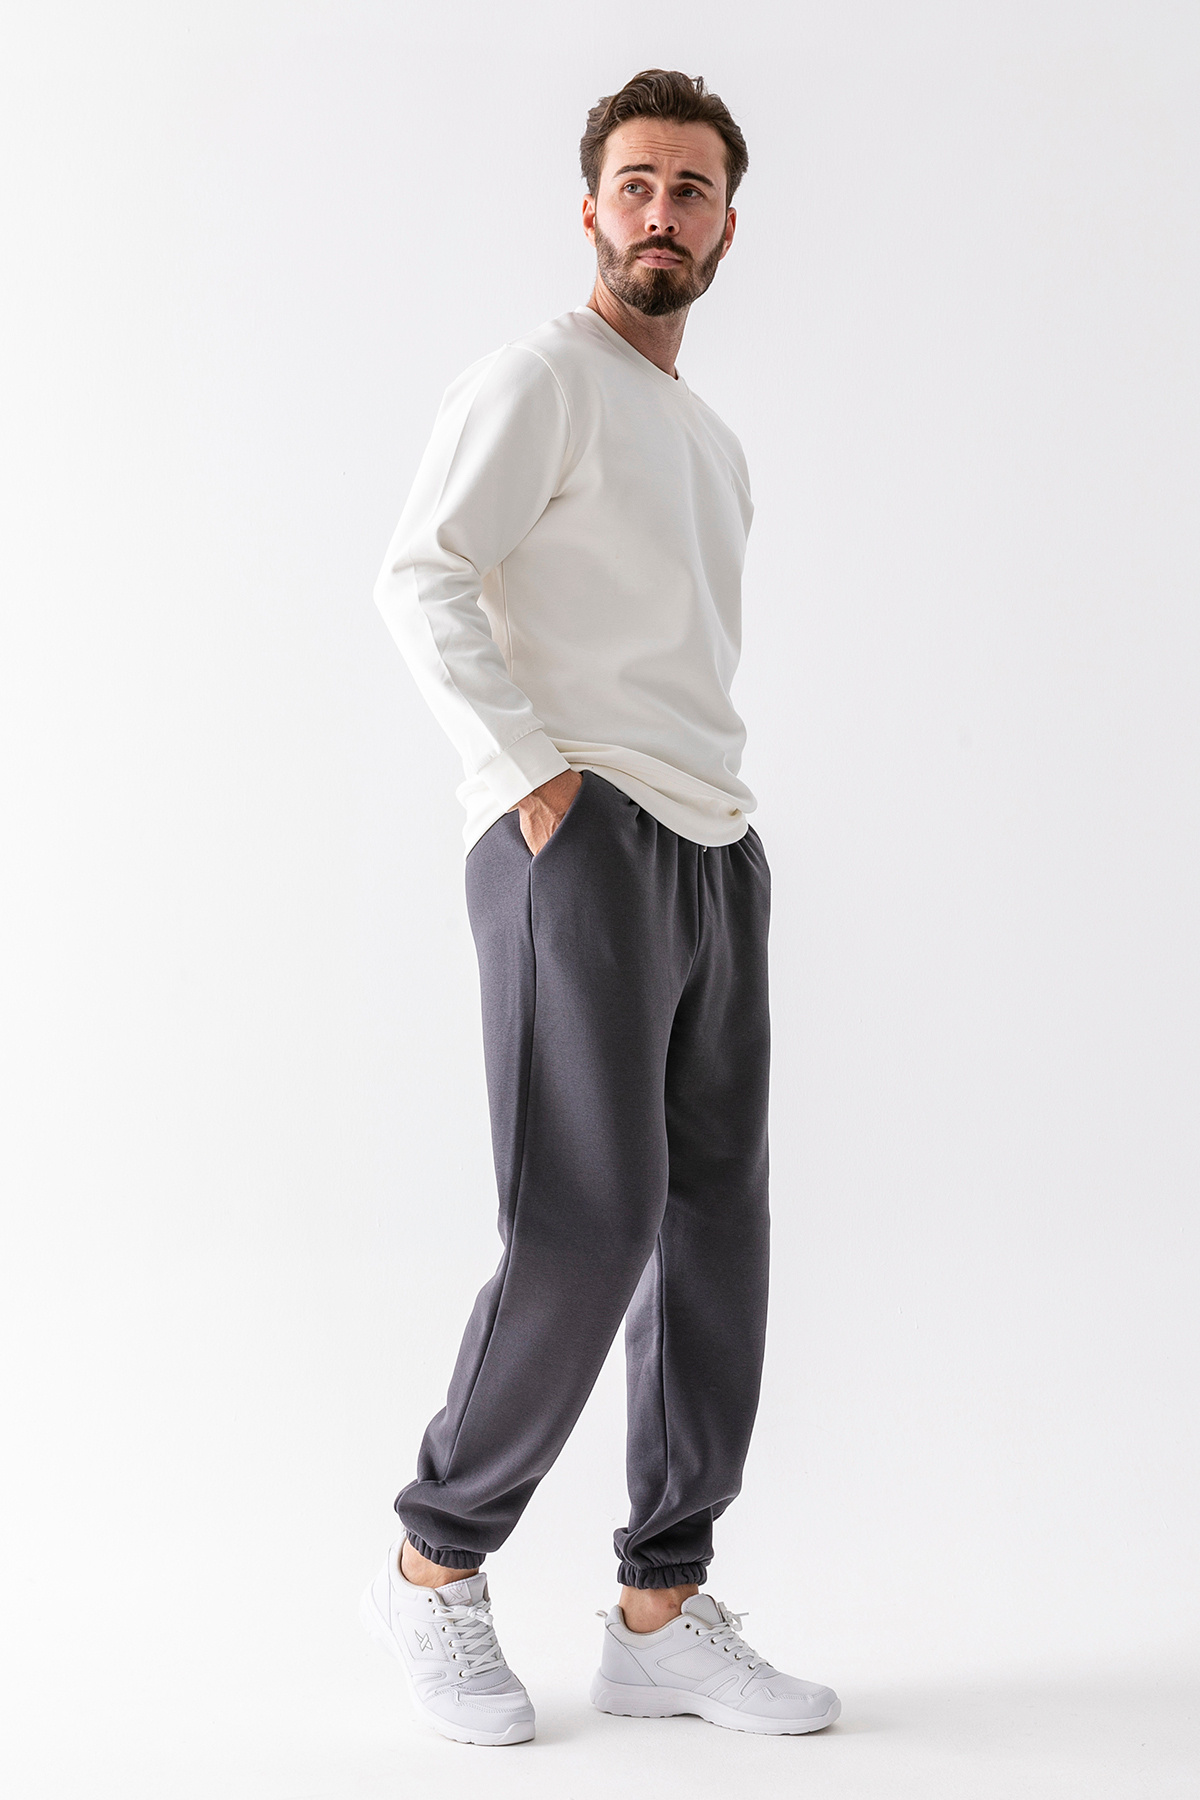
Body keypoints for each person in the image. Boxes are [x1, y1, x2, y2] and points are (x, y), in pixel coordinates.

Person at [360, 68, 840, 1746]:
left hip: (714, 843)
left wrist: (720, 840)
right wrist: (531, 780)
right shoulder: (540, 378)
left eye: (691, 188)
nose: (662, 211)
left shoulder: (712, 443)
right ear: (590, 209)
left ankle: (661, 1607)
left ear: (727, 227)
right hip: (579, 828)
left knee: (717, 1226)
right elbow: (421, 572)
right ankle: (436, 1564)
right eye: (636, 182)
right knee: (586, 1216)